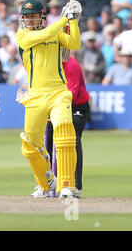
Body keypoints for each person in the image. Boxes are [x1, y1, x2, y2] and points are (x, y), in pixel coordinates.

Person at [16, 0, 81, 198]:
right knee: (30, 145)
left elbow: (75, 43)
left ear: (41, 17)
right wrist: (64, 19)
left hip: (58, 92)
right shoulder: (22, 36)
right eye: (27, 17)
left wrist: (73, 21)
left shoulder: (57, 33)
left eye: (34, 16)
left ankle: (67, 185)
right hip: (35, 95)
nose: (30, 20)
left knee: (64, 132)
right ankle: (46, 184)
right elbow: (43, 35)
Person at [45, 48, 90, 199]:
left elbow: (73, 92)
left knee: (72, 137)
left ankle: (75, 186)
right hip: (55, 106)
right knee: (47, 139)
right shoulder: (47, 65)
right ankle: (46, 184)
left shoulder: (71, 65)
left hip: (76, 107)